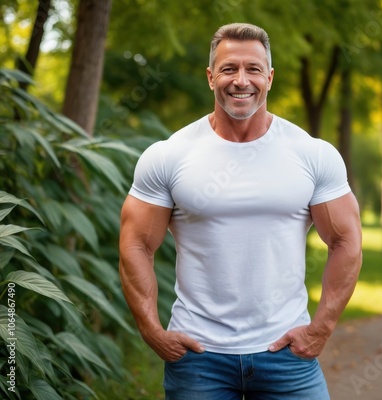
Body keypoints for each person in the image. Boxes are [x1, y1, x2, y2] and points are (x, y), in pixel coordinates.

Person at [119, 22, 362, 399]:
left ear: (270, 77)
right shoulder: (169, 155)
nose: (241, 80)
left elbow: (346, 241)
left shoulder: (312, 154)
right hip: (198, 357)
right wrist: (151, 329)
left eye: (253, 69)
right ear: (210, 76)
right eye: (229, 69)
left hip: (286, 353)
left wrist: (322, 327)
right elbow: (135, 245)